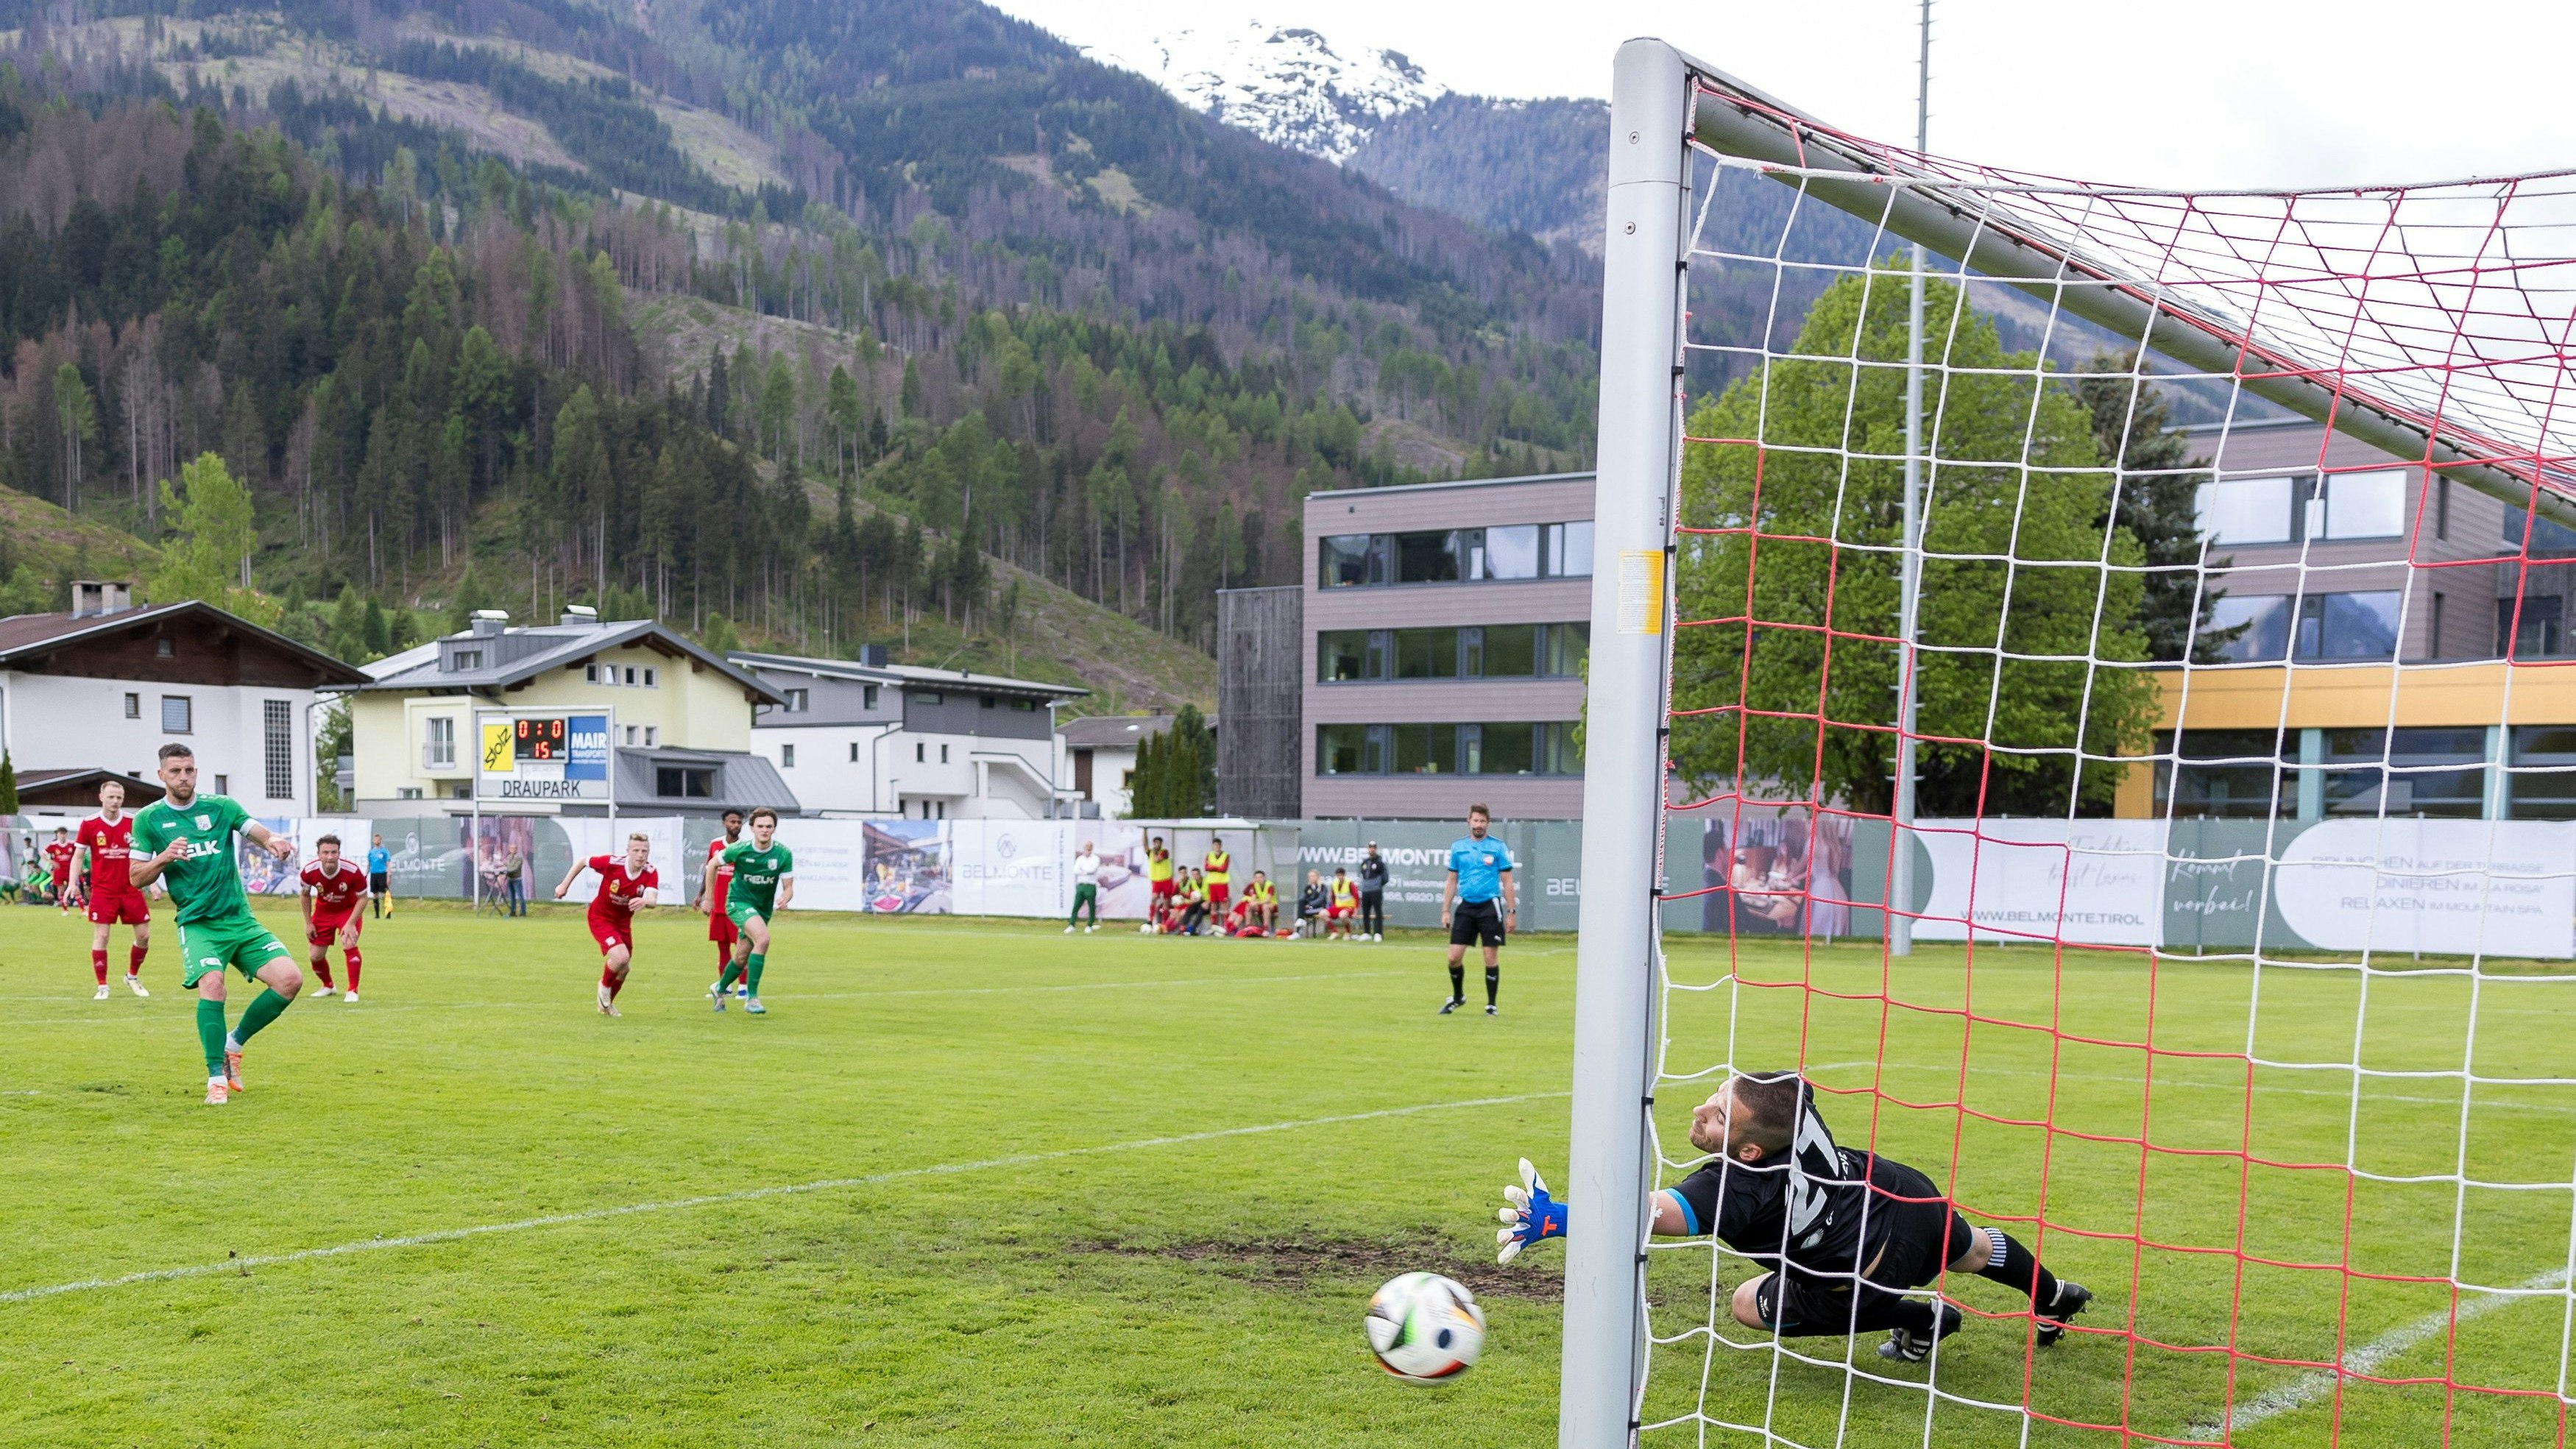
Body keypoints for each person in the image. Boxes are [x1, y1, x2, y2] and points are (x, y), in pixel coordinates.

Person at [1494, 1071, 2092, 1364]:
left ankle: (1924, 1317)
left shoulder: (1734, 1185)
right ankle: (2053, 1292)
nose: (1702, 1112)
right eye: (1716, 1097)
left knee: (1747, 1302)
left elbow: (1646, 1215)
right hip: (1902, 1194)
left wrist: (1561, 1218)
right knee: (1974, 1251)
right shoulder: (1786, 1097)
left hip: (1864, 1273)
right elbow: (1790, 1090)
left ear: (1750, 1149)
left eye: (1720, 1116)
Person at [128, 743, 302, 1106]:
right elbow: (135, 878)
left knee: (290, 980)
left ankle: (232, 1045)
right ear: (161, 775)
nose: (184, 777)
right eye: (175, 771)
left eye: (189, 769)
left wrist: (275, 840)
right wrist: (164, 857)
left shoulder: (221, 807)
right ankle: (215, 1079)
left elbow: (255, 829)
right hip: (198, 924)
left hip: (240, 919)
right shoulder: (148, 819)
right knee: (213, 984)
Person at [562, 832, 659, 1017]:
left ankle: (606, 1007)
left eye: (644, 851)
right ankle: (604, 987)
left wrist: (645, 902)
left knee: (624, 969)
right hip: (601, 917)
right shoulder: (612, 863)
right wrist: (564, 885)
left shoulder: (650, 872)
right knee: (621, 957)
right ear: (628, 851)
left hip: (623, 922)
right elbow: (583, 861)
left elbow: (653, 899)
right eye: (636, 850)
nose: (640, 855)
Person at [711, 808, 793, 1016]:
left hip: (762, 909)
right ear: (752, 828)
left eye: (769, 827)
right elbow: (712, 865)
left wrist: (786, 896)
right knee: (763, 939)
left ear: (774, 829)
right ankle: (752, 998)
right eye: (760, 826)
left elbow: (789, 886)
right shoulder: (739, 849)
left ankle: (719, 989)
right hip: (737, 902)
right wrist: (709, 898)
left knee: (740, 957)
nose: (764, 830)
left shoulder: (783, 854)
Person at [74, 779, 152, 999]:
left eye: (119, 798)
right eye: (111, 797)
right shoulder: (89, 824)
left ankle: (132, 976)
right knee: (102, 935)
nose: (115, 801)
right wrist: (73, 884)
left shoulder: (133, 822)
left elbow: (144, 856)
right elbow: (78, 855)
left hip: (131, 888)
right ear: (101, 798)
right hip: (103, 890)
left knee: (144, 936)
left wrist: (152, 883)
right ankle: (102, 986)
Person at [1439, 804, 1516, 1016]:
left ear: (1487, 823)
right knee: (1453, 958)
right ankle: (1457, 997)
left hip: (1489, 907)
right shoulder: (1458, 847)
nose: (1479, 825)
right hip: (1466, 907)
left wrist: (1511, 912)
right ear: (1469, 822)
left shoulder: (1498, 847)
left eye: (1482, 821)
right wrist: (1445, 910)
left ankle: (1491, 1005)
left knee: (1490, 957)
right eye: (1475, 820)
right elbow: (1452, 880)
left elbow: (1508, 881)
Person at [298, 834, 369, 1003]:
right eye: (326, 853)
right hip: (323, 912)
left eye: (333, 852)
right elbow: (305, 895)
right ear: (319, 854)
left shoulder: (352, 871)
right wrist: (308, 923)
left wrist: (351, 923)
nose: (330, 857)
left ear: (339, 853)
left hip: (348, 911)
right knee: (315, 956)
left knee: (349, 942)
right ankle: (328, 986)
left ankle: (352, 990)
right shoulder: (309, 872)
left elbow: (364, 897)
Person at [696, 809, 747, 993]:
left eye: (739, 822)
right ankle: (724, 986)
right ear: (724, 823)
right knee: (722, 947)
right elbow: (709, 870)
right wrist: (700, 895)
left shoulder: (746, 846)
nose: (735, 825)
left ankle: (743, 987)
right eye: (732, 822)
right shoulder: (715, 844)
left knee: (741, 947)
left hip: (738, 905)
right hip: (718, 905)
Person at [1066, 840, 1102, 933]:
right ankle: (1071, 925)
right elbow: (1075, 871)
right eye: (1087, 847)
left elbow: (1092, 870)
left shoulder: (1096, 859)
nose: (1088, 849)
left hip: (1090, 885)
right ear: (1084, 848)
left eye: (1090, 848)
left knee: (1091, 906)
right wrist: (1084, 871)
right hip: (1081, 885)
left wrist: (1083, 870)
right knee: (1076, 906)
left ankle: (1089, 925)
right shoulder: (1080, 859)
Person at [1357, 842, 1388, 941]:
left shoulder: (1380, 862)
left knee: (1378, 911)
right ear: (1368, 849)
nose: (1372, 849)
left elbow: (1385, 877)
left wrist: (1378, 885)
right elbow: (1363, 875)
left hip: (1376, 890)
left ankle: (1378, 933)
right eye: (1370, 847)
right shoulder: (1365, 862)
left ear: (1376, 849)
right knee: (1366, 912)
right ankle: (1367, 932)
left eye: (1374, 848)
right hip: (1366, 890)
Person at [45, 826, 75, 912]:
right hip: (59, 871)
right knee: (60, 890)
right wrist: (51, 862)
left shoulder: (72, 844)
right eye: (61, 834)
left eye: (64, 834)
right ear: (57, 834)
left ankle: (82, 909)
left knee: (74, 888)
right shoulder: (53, 845)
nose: (62, 835)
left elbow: (79, 853)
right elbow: (42, 854)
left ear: (66, 834)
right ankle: (65, 909)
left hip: (70, 870)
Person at [1145, 836, 1175, 920]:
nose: (1157, 844)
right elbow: (1145, 844)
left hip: (1166, 880)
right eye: (1156, 843)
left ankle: (1164, 922)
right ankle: (1150, 919)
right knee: (1154, 898)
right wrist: (1145, 831)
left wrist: (1154, 851)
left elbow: (1157, 860)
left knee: (1166, 901)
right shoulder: (1150, 852)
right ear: (1153, 843)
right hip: (1157, 880)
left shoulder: (1165, 852)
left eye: (1159, 843)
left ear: (1161, 844)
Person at [1326, 866, 1359, 940]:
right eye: (1338, 875)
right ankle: (1334, 932)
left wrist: (1356, 911)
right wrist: (1333, 907)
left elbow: (1356, 897)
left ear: (1344, 875)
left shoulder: (1350, 883)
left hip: (1349, 907)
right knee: (1322, 913)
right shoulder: (1334, 883)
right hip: (1338, 907)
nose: (1340, 877)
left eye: (1341, 875)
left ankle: (1348, 932)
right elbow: (1333, 897)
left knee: (1342, 914)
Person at [1203, 837, 1232, 918]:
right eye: (1215, 845)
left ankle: (1227, 926)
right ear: (1213, 846)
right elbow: (1206, 868)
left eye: (1218, 845)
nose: (1217, 846)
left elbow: (1224, 869)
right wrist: (1218, 867)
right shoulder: (1209, 855)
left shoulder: (1226, 855)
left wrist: (1212, 867)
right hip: (1212, 883)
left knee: (1224, 904)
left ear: (1221, 845)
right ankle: (1214, 927)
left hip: (1222, 883)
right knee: (1213, 904)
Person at [1242, 871, 1278, 935]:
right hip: (1260, 905)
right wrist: (1252, 903)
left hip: (1272, 905)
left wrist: (1256, 903)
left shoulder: (1270, 885)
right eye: (1257, 878)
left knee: (1266, 906)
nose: (1258, 879)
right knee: (1249, 906)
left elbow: (1268, 900)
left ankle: (1266, 929)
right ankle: (1248, 928)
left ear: (1264, 878)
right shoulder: (1255, 885)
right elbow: (1253, 896)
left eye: (1260, 877)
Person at [365, 834, 392, 918]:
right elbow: (369, 864)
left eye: (378, 839)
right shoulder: (371, 852)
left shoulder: (384, 851)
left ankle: (388, 913)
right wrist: (366, 874)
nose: (376, 841)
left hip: (382, 874)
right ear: (373, 840)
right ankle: (377, 915)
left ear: (380, 841)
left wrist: (389, 873)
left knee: (384, 894)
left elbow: (388, 863)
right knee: (375, 894)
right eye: (375, 839)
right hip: (374, 874)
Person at [1298, 870, 1329, 939]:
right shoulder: (1308, 887)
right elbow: (1303, 898)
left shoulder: (1322, 887)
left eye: (1313, 876)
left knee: (1303, 908)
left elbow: (1321, 899)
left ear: (1317, 877)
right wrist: (1306, 904)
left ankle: (1300, 925)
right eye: (1310, 876)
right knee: (1301, 901)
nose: (1311, 878)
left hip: (1320, 908)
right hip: (1308, 909)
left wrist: (1310, 905)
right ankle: (1299, 927)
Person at [502, 842, 528, 917]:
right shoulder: (508, 857)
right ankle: (513, 911)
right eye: (512, 848)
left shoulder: (519, 858)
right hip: (510, 879)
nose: (513, 850)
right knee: (512, 897)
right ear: (509, 849)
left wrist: (507, 870)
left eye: (515, 848)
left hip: (517, 879)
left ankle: (523, 912)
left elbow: (515, 868)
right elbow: (506, 865)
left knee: (520, 896)